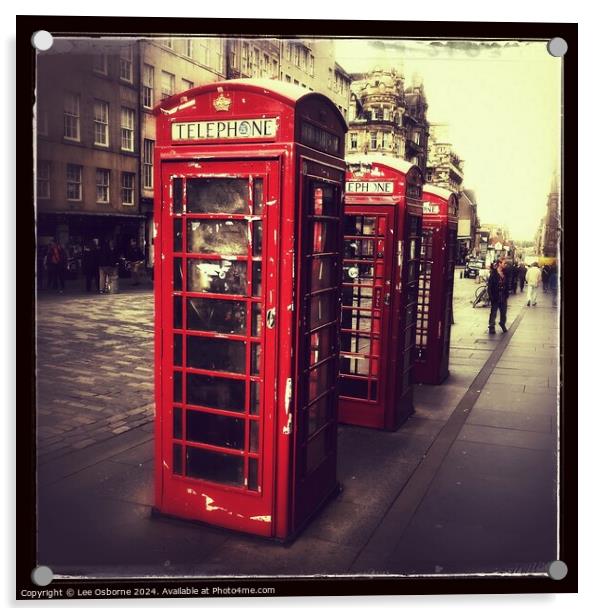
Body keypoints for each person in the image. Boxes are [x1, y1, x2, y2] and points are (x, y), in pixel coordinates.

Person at [487, 259, 510, 334]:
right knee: (493, 312)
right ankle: (491, 326)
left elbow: (507, 283)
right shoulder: (493, 273)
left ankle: (502, 323)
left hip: (503, 296)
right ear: (499, 264)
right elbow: (490, 286)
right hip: (495, 296)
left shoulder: (505, 272)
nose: (505, 265)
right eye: (504, 263)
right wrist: (491, 296)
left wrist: (507, 293)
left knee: (503, 312)